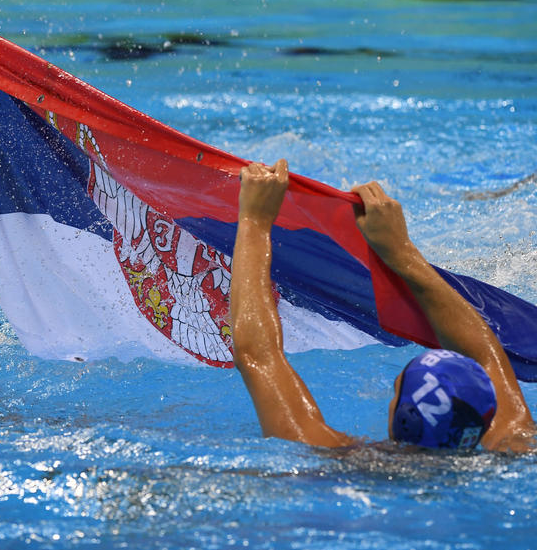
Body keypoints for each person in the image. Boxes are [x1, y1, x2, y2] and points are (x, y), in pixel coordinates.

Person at [229, 159, 535, 453]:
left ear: (402, 417)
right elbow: (486, 356)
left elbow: (257, 355)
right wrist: (401, 253)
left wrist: (254, 220)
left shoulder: (337, 462)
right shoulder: (516, 444)